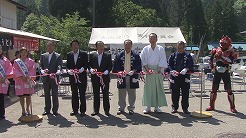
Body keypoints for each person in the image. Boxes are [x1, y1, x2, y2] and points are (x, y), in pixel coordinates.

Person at [206, 36, 239, 113]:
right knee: (213, 89)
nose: (222, 45)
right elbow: (210, 60)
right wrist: (212, 68)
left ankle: (232, 107)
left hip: (225, 71)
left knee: (229, 90)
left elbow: (231, 61)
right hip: (217, 71)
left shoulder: (231, 52)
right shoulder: (216, 50)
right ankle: (211, 105)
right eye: (221, 43)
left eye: (223, 44)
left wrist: (222, 57)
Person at [140, 33, 168, 114]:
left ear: (156, 39)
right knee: (148, 89)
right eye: (150, 38)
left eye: (153, 38)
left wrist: (159, 68)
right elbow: (142, 59)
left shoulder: (160, 48)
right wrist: (146, 69)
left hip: (158, 71)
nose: (152, 40)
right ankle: (148, 106)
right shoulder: (145, 49)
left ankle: (157, 106)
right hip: (148, 71)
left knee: (157, 88)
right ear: (148, 39)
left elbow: (163, 59)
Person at [112, 39, 142, 115]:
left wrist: (134, 70)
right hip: (122, 76)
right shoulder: (119, 55)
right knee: (121, 93)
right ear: (124, 45)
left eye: (129, 44)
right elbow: (116, 65)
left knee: (132, 93)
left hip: (132, 76)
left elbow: (138, 65)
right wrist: (119, 71)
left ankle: (131, 108)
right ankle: (121, 108)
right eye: (126, 44)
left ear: (131, 45)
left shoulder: (136, 55)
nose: (127, 46)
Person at [168, 41, 194, 114]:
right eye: (178, 48)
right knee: (174, 93)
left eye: (181, 48)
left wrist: (186, 69)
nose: (180, 49)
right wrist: (172, 70)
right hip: (175, 77)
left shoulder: (188, 56)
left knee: (185, 93)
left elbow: (191, 64)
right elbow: (169, 64)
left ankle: (185, 108)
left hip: (185, 77)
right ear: (176, 47)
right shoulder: (173, 55)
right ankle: (174, 107)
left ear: (184, 48)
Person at [89, 41, 112, 116]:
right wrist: (91, 70)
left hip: (104, 78)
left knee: (105, 94)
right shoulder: (92, 55)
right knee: (96, 94)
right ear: (96, 47)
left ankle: (107, 110)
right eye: (99, 46)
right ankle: (96, 110)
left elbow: (110, 66)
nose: (101, 47)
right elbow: (89, 65)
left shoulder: (108, 55)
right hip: (95, 78)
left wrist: (107, 71)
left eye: (102, 46)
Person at [40, 41, 63, 116]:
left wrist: (58, 70)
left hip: (54, 78)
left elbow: (59, 65)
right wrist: (42, 70)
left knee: (55, 94)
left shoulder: (58, 56)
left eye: (51, 46)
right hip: (46, 78)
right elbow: (41, 66)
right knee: (46, 94)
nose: (49, 47)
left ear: (54, 46)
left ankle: (55, 110)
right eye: (48, 45)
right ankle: (47, 109)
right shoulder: (43, 55)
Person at [66, 40, 88, 117]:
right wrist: (69, 71)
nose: (75, 46)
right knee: (74, 93)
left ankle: (83, 111)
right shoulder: (69, 54)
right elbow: (67, 65)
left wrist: (82, 69)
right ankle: (75, 110)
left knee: (82, 94)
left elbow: (86, 64)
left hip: (82, 77)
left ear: (78, 45)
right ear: (71, 46)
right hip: (73, 77)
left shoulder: (84, 54)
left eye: (76, 44)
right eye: (73, 45)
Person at [13, 47, 36, 116]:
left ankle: (27, 108)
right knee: (21, 96)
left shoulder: (31, 61)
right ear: (20, 53)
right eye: (22, 52)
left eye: (25, 52)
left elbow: (32, 70)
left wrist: (28, 77)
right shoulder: (16, 61)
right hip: (20, 80)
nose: (23, 54)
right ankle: (23, 109)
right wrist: (21, 76)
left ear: (27, 53)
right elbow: (15, 69)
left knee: (28, 95)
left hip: (28, 80)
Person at [0, 47, 13, 120]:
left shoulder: (5, 60)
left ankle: (2, 114)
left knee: (2, 98)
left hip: (3, 81)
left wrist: (4, 78)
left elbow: (9, 69)